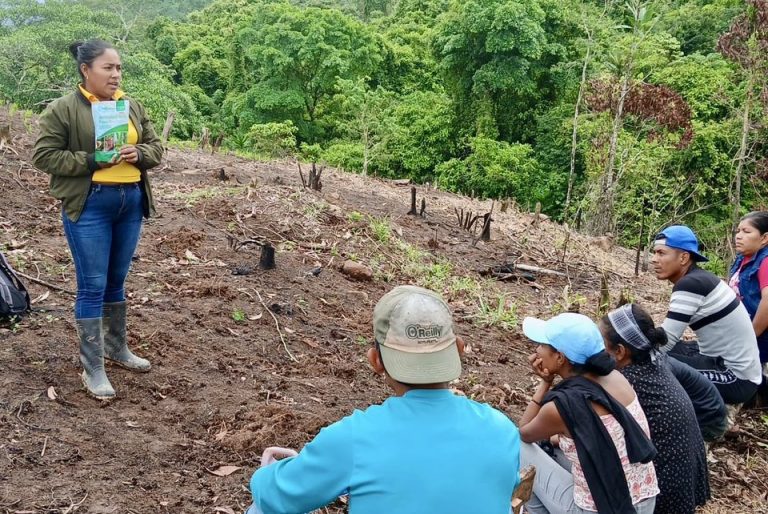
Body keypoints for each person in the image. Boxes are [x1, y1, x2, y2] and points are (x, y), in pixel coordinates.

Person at [245, 285, 521, 514]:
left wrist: (268, 475)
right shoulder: (503, 429)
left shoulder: (355, 437)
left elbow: (274, 496)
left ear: (375, 360)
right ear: (459, 350)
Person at [32, 40, 163, 400]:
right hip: (90, 203)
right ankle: (94, 368)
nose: (116, 74)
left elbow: (156, 148)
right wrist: (90, 160)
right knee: (92, 283)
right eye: (108, 68)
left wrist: (138, 152)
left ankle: (116, 348)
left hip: (130, 202)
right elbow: (44, 156)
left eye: (119, 68)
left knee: (116, 280)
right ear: (85, 70)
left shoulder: (130, 105)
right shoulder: (64, 109)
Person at [518, 312, 659, 514]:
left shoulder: (561, 407)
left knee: (518, 448)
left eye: (541, 344)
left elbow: (524, 432)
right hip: (644, 502)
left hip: (598, 509)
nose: (536, 350)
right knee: (553, 446)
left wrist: (544, 384)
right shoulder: (617, 378)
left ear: (560, 357)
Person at [600, 304, 709, 513]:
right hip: (684, 479)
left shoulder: (626, 382)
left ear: (620, 352)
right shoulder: (653, 360)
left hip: (661, 489)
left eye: (600, 342)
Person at [652, 225, 762, 405]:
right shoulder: (699, 278)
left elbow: (667, 338)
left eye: (661, 253)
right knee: (665, 351)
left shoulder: (691, 284)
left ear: (683, 257)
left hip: (736, 379)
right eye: (654, 253)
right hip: (724, 362)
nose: (654, 260)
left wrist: (630, 357)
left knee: (652, 365)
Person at [730, 212, 768, 370]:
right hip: (739, 337)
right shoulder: (741, 259)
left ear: (764, 238)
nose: (739, 236)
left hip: (758, 342)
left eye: (746, 232)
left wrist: (750, 336)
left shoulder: (765, 261)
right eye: (738, 231)